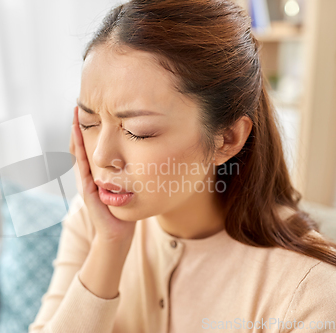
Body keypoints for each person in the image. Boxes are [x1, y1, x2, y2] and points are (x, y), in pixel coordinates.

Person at [29, 0, 336, 332]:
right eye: (89, 123)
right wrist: (109, 246)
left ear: (228, 138)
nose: (101, 156)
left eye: (138, 131)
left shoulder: (309, 291)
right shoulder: (92, 221)